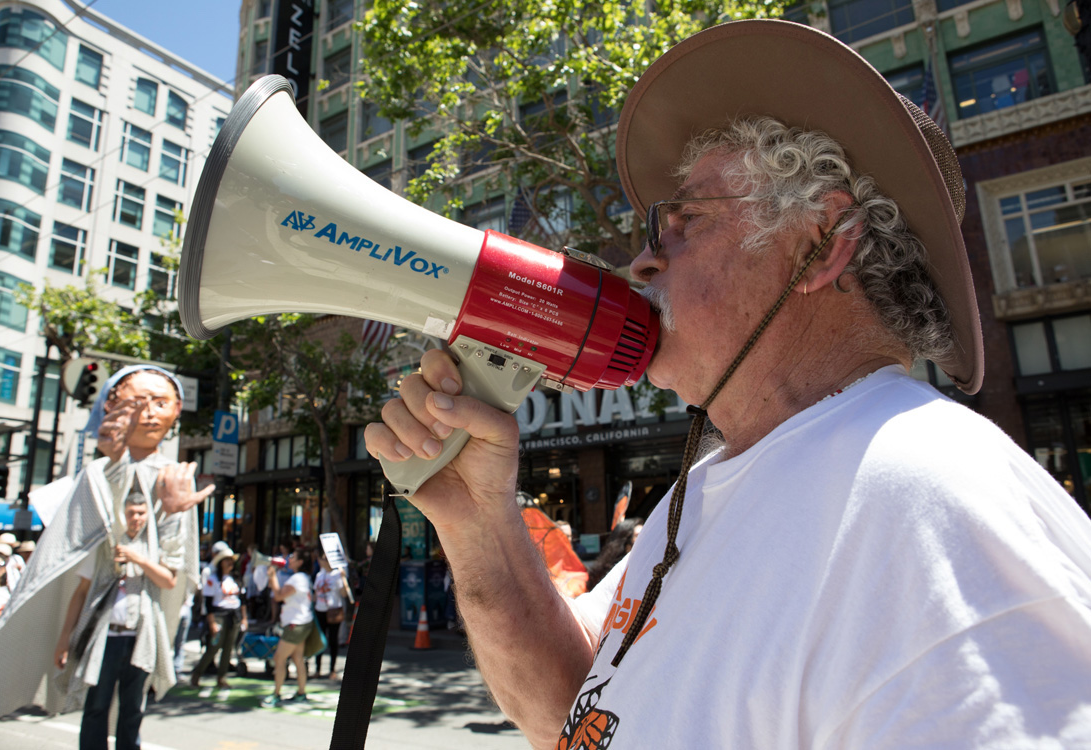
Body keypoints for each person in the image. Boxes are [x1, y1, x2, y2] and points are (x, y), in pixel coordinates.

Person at [364, 20, 1091, 749]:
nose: (642, 262)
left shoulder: (924, 494)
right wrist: (476, 522)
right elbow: (570, 711)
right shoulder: (701, 497)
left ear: (820, 247)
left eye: (682, 221)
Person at [0, 365, 212, 736]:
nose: (149, 413)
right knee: (96, 708)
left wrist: (174, 513)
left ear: (177, 409)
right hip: (102, 625)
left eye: (160, 403)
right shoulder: (95, 473)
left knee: (133, 709)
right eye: (137, 402)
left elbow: (174, 568)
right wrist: (113, 463)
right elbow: (78, 548)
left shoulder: (175, 477)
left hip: (142, 623)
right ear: (112, 406)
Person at [53, 491, 178, 750]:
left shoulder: (153, 546)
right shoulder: (107, 545)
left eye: (141, 513)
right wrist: (65, 638)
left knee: (133, 708)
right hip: (105, 637)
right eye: (131, 512)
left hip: (139, 637)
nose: (136, 518)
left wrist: (138, 559)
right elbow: (81, 592)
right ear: (123, 514)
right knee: (97, 704)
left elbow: (168, 581)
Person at [262, 547, 316, 706]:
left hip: (295, 624)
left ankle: (276, 694)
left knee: (279, 658)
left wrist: (272, 577)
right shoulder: (303, 578)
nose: (289, 559)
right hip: (302, 622)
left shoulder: (297, 579)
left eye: (293, 557)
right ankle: (301, 692)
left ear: (300, 562)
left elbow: (278, 596)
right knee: (298, 658)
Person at [189, 547, 246, 690]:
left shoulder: (236, 579)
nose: (230, 563)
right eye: (226, 560)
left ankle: (222, 677)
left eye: (231, 561)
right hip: (219, 615)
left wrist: (244, 618)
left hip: (234, 616)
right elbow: (208, 603)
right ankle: (198, 673)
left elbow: (243, 600)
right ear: (220, 562)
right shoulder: (213, 579)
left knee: (228, 647)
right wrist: (212, 622)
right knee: (214, 646)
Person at [312, 548, 350, 680]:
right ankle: (318, 668)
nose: (322, 561)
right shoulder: (319, 575)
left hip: (334, 610)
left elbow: (344, 594)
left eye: (324, 559)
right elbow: (315, 595)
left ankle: (332, 669)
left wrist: (344, 579)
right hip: (320, 610)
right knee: (320, 640)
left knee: (333, 640)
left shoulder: (337, 575)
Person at [584, 518, 643, 591]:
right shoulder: (609, 575)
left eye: (645, 533)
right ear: (627, 546)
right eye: (638, 535)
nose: (644, 538)